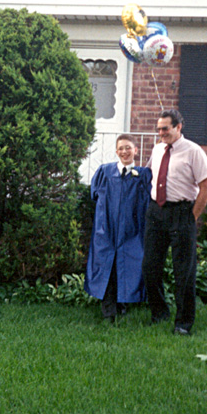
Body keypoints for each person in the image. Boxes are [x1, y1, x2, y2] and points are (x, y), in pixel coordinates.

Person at [142, 109, 207, 335]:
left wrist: (190, 218)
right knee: (150, 267)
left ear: (178, 127)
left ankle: (183, 324)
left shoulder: (194, 152)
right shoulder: (157, 148)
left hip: (182, 213)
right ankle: (159, 312)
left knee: (184, 272)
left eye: (165, 128)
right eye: (159, 129)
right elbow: (149, 175)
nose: (161, 133)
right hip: (156, 213)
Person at [85, 134, 152, 322]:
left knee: (127, 266)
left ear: (136, 150)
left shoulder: (143, 175)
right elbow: (94, 196)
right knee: (106, 266)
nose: (124, 151)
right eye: (121, 148)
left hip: (132, 232)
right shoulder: (105, 172)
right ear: (116, 151)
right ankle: (108, 311)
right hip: (107, 230)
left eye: (128, 147)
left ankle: (122, 305)